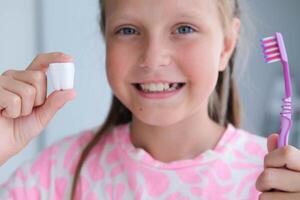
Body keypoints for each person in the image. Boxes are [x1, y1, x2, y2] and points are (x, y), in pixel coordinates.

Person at [1, 0, 300, 199]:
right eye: (128, 30)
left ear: (225, 46)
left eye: (184, 29)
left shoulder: (274, 178)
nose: (153, 58)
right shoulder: (55, 173)